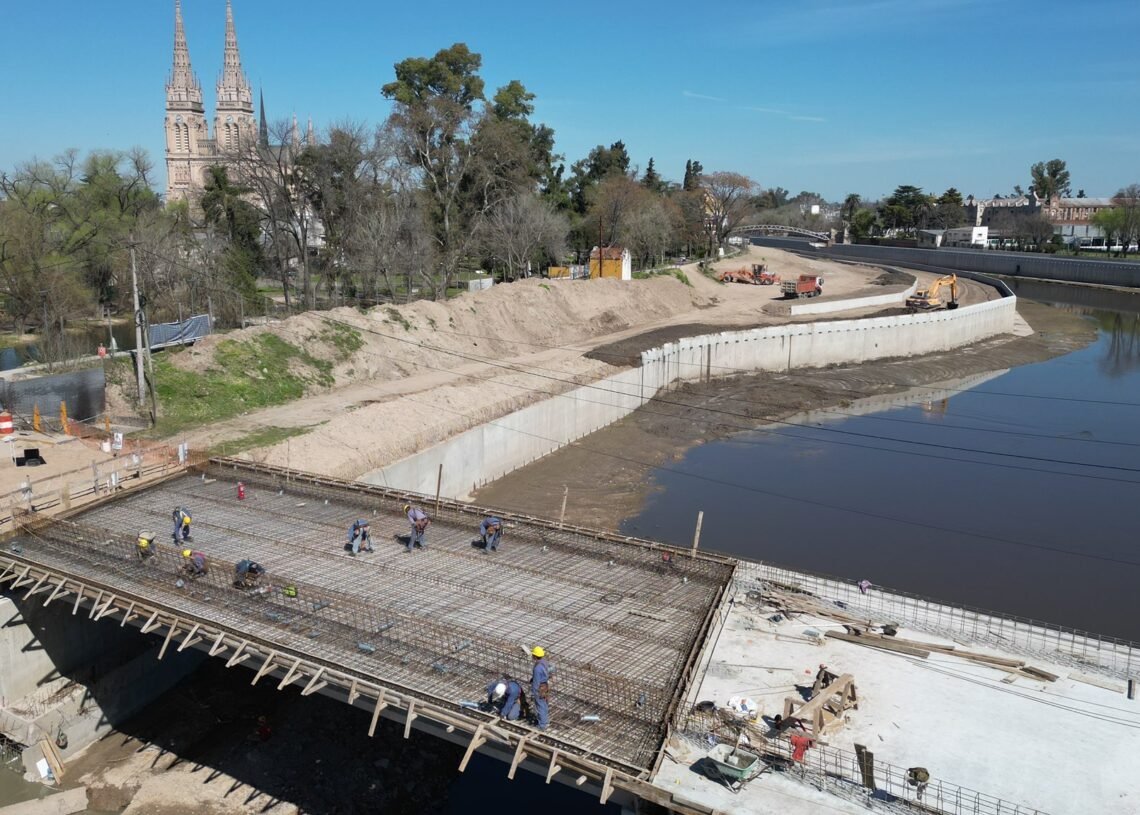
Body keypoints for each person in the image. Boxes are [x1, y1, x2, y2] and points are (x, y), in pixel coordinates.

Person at [529, 646, 551, 730]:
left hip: (540, 688)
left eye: (533, 655)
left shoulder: (537, 668)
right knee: (544, 704)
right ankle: (545, 721)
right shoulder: (544, 662)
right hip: (545, 686)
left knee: (540, 705)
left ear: (535, 656)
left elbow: (536, 683)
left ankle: (542, 725)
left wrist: (533, 693)